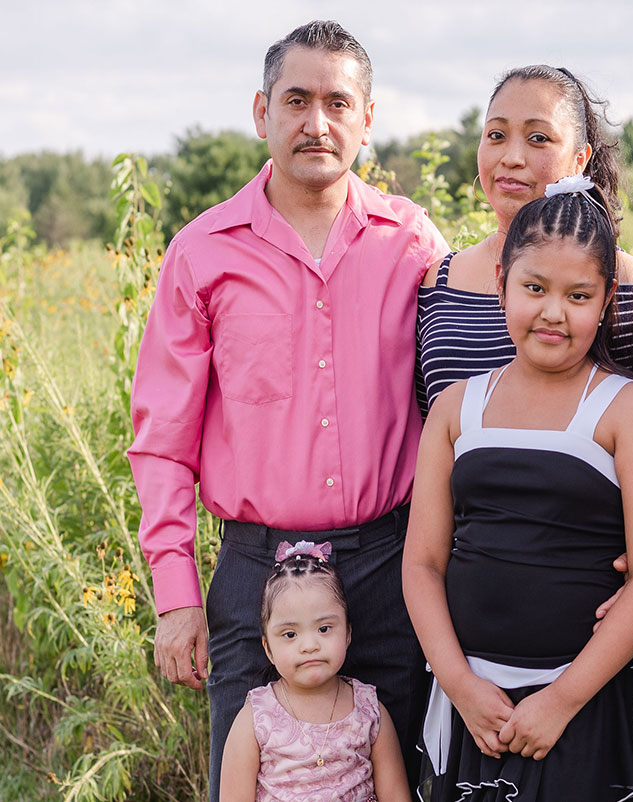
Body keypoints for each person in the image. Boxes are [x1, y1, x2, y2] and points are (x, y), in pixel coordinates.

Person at [127, 20, 448, 801]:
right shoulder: (202, 252)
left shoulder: (412, 243)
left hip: (389, 570)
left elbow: (465, 398)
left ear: (367, 119)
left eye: (338, 103)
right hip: (256, 578)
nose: (317, 123)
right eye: (296, 100)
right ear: (261, 111)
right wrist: (176, 597)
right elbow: (163, 439)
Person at [403, 177, 633, 801]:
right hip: (469, 705)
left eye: (578, 295)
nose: (554, 312)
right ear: (501, 282)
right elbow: (421, 564)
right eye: (534, 289)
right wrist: (460, 685)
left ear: (607, 300)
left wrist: (562, 700)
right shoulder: (456, 409)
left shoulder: (626, 410)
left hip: (579, 704)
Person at [417, 64, 633, 416]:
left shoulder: (630, 282)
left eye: (538, 138)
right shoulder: (441, 281)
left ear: (580, 159)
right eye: (496, 135)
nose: (511, 158)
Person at [220, 542, 409, 802]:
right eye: (290, 634)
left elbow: (396, 795)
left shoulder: (370, 711)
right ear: (268, 648)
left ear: (348, 633)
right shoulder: (255, 720)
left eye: (324, 629)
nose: (309, 645)